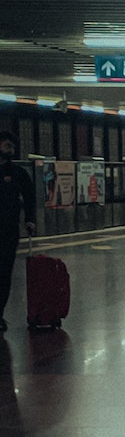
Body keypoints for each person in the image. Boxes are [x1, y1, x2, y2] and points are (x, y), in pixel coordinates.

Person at [0, 131, 35, 331]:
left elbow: (29, 197)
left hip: (8, 232)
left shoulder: (18, 173)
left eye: (12, 145)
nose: (10, 147)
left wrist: (30, 219)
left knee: (4, 273)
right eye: (6, 144)